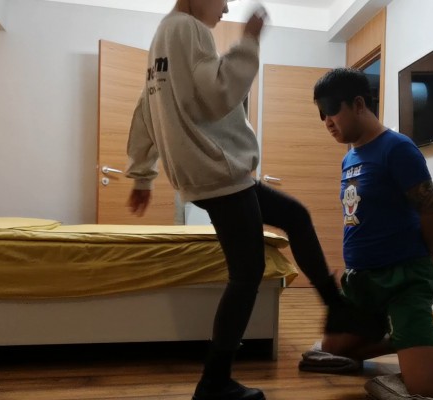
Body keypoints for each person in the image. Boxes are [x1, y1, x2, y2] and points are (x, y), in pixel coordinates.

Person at [124, 1, 345, 399]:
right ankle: (214, 382)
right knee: (247, 272)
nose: (226, 8)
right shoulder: (189, 29)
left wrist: (142, 173)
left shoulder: (164, 35)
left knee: (294, 215)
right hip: (218, 172)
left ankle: (338, 309)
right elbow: (219, 93)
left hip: (213, 175)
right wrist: (248, 43)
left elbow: (145, 109)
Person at [307, 68, 433, 398]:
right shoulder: (350, 157)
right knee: (334, 349)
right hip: (362, 281)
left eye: (331, 109)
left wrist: (423, 258)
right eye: (321, 114)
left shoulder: (396, 148)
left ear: (358, 104)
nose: (326, 121)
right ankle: (411, 340)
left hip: (402, 280)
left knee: (427, 384)